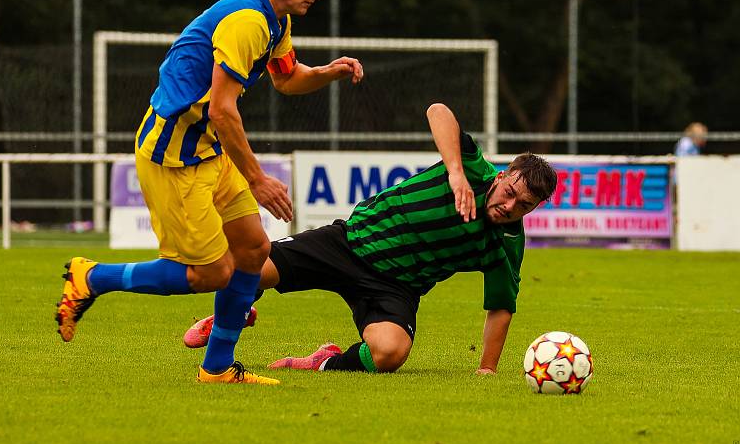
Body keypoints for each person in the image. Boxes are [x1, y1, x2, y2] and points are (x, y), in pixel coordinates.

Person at [55, 0, 364, 385]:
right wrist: (258, 178)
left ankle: (217, 368)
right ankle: (92, 277)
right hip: (174, 156)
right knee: (211, 273)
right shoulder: (247, 22)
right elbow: (222, 109)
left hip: (208, 151)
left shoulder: (276, 19)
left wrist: (326, 72)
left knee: (254, 250)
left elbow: (286, 77)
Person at [183, 103, 557, 375]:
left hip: (394, 287)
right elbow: (437, 111)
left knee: (390, 353)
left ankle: (323, 361)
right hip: (350, 243)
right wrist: (455, 172)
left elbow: (501, 307)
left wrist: (487, 369)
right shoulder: (473, 168)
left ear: (534, 208)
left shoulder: (507, 241)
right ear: (503, 174)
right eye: (509, 191)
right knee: (249, 269)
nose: (509, 205)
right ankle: (229, 317)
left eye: (523, 205)